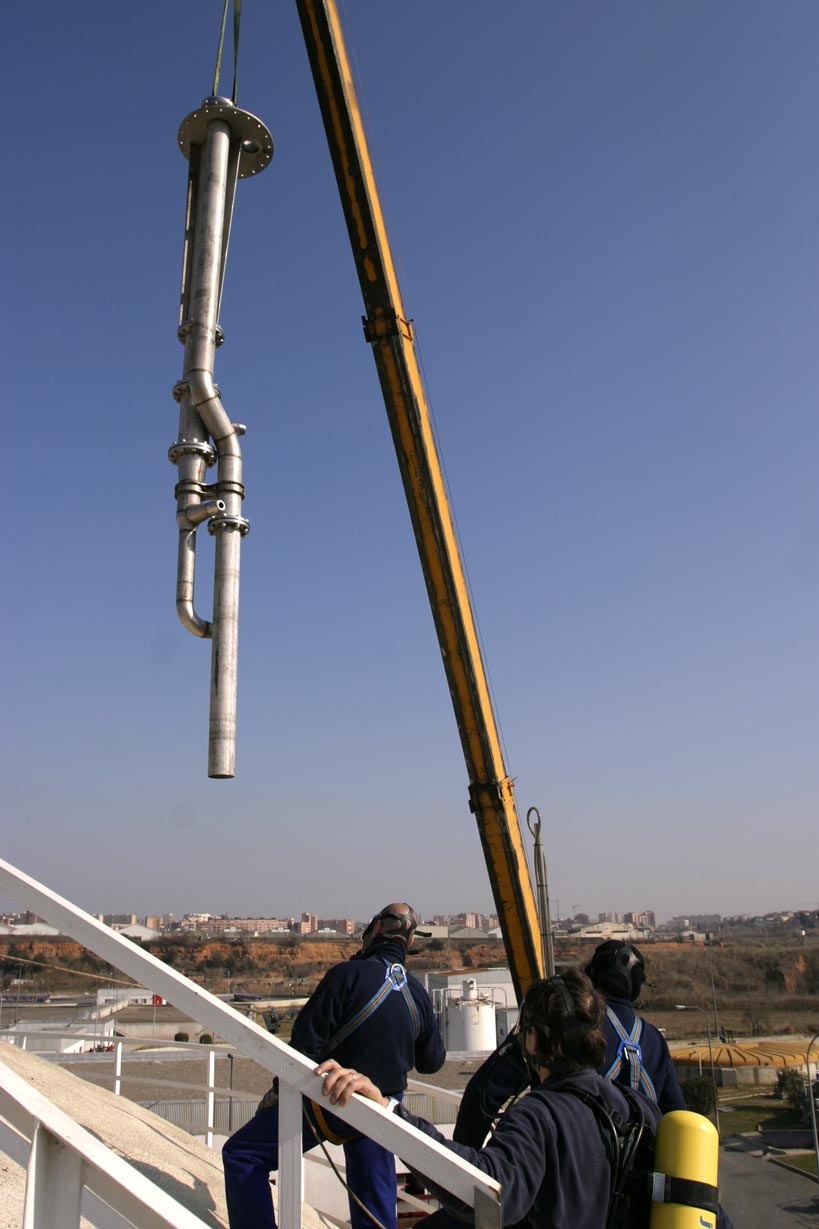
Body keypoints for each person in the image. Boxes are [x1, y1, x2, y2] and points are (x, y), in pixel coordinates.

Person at [316, 969, 664, 1229]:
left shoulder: (538, 1117)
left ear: (532, 1040)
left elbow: (483, 1189)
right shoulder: (638, 1107)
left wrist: (390, 1113)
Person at [222, 902, 445, 1229]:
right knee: (375, 1214)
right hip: (381, 1112)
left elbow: (303, 1046)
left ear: (378, 929)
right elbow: (432, 1062)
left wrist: (279, 1097)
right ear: (410, 943)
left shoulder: (346, 975)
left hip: (329, 1101)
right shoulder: (417, 994)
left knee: (243, 1155)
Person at [453, 940, 683, 1148]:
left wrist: (464, 1168)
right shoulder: (655, 1041)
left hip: (572, 1173)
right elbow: (678, 1119)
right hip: (639, 1185)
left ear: (590, 977)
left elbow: (483, 1093)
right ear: (635, 987)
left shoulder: (565, 1024)